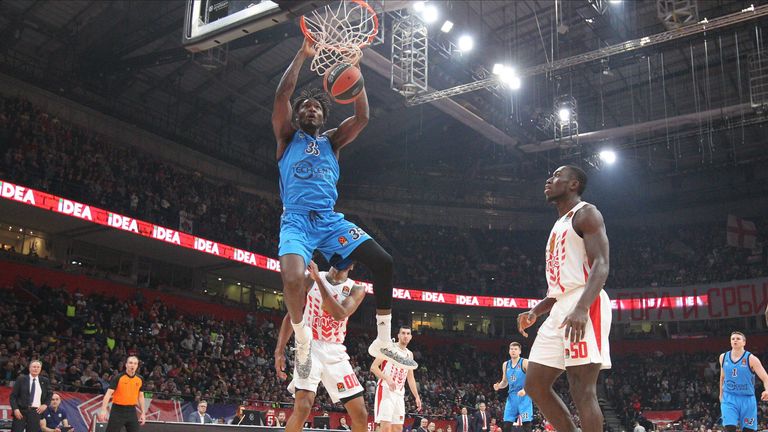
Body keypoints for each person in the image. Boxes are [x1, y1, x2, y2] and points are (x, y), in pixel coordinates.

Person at [271, 38, 416, 376]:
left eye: (316, 107)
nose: (310, 109)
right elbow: (281, 96)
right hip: (296, 221)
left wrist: (356, 70)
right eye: (304, 107)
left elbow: (363, 116)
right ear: (297, 115)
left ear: (324, 116)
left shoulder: (332, 141)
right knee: (293, 278)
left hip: (328, 221)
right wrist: (302, 55)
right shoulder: (287, 138)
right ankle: (302, 338)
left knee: (383, 262)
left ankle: (382, 340)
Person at [517, 165, 612, 432]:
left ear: (574, 184)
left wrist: (582, 307)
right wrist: (536, 311)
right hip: (561, 305)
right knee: (535, 384)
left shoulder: (587, 213)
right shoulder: (560, 222)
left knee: (581, 389)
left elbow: (601, 264)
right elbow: (560, 285)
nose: (549, 179)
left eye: (557, 176)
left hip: (585, 301)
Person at [274, 261, 368, 432]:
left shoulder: (356, 289)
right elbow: (292, 314)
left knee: (360, 414)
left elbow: (339, 314)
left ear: (352, 265)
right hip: (309, 346)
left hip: (335, 350)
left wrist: (319, 280)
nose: (342, 257)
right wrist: (279, 351)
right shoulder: (309, 279)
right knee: (303, 407)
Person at [371, 326, 423, 432]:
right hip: (386, 390)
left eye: (408, 333)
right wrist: (387, 378)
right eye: (403, 333)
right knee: (385, 428)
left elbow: (410, 377)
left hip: (399, 394)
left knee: (398, 428)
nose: (405, 336)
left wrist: (417, 396)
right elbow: (373, 367)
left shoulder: (409, 354)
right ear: (398, 335)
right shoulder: (390, 348)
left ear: (411, 337)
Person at [718, 331, 768, 431]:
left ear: (744, 342)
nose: (735, 340)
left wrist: (767, 390)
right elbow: (722, 377)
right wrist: (721, 394)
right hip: (729, 397)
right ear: (730, 342)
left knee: (748, 430)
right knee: (729, 427)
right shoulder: (723, 357)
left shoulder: (752, 359)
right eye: (733, 339)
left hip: (747, 398)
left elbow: (765, 377)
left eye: (738, 339)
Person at [97, 356, 146, 432]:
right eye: (130, 363)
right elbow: (108, 394)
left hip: (132, 411)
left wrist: (143, 413)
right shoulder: (118, 377)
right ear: (126, 365)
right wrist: (103, 410)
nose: (132, 365)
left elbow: (141, 396)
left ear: (137, 366)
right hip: (118, 410)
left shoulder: (140, 379)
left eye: (135, 363)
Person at [493, 342, 533, 432]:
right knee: (506, 425)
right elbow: (505, 382)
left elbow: (532, 379)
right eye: (511, 349)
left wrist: (525, 390)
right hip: (512, 398)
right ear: (509, 351)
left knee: (527, 425)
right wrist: (498, 386)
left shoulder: (525, 362)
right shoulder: (506, 364)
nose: (513, 351)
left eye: (515, 349)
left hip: (524, 397)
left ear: (520, 351)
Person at [10, 359, 52, 432]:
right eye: (34, 367)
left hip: (35, 412)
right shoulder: (21, 379)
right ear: (29, 368)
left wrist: (45, 405)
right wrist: (15, 409)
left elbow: (50, 394)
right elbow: (13, 396)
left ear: (40, 369)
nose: (36, 369)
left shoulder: (45, 380)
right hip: (21, 411)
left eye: (38, 367)